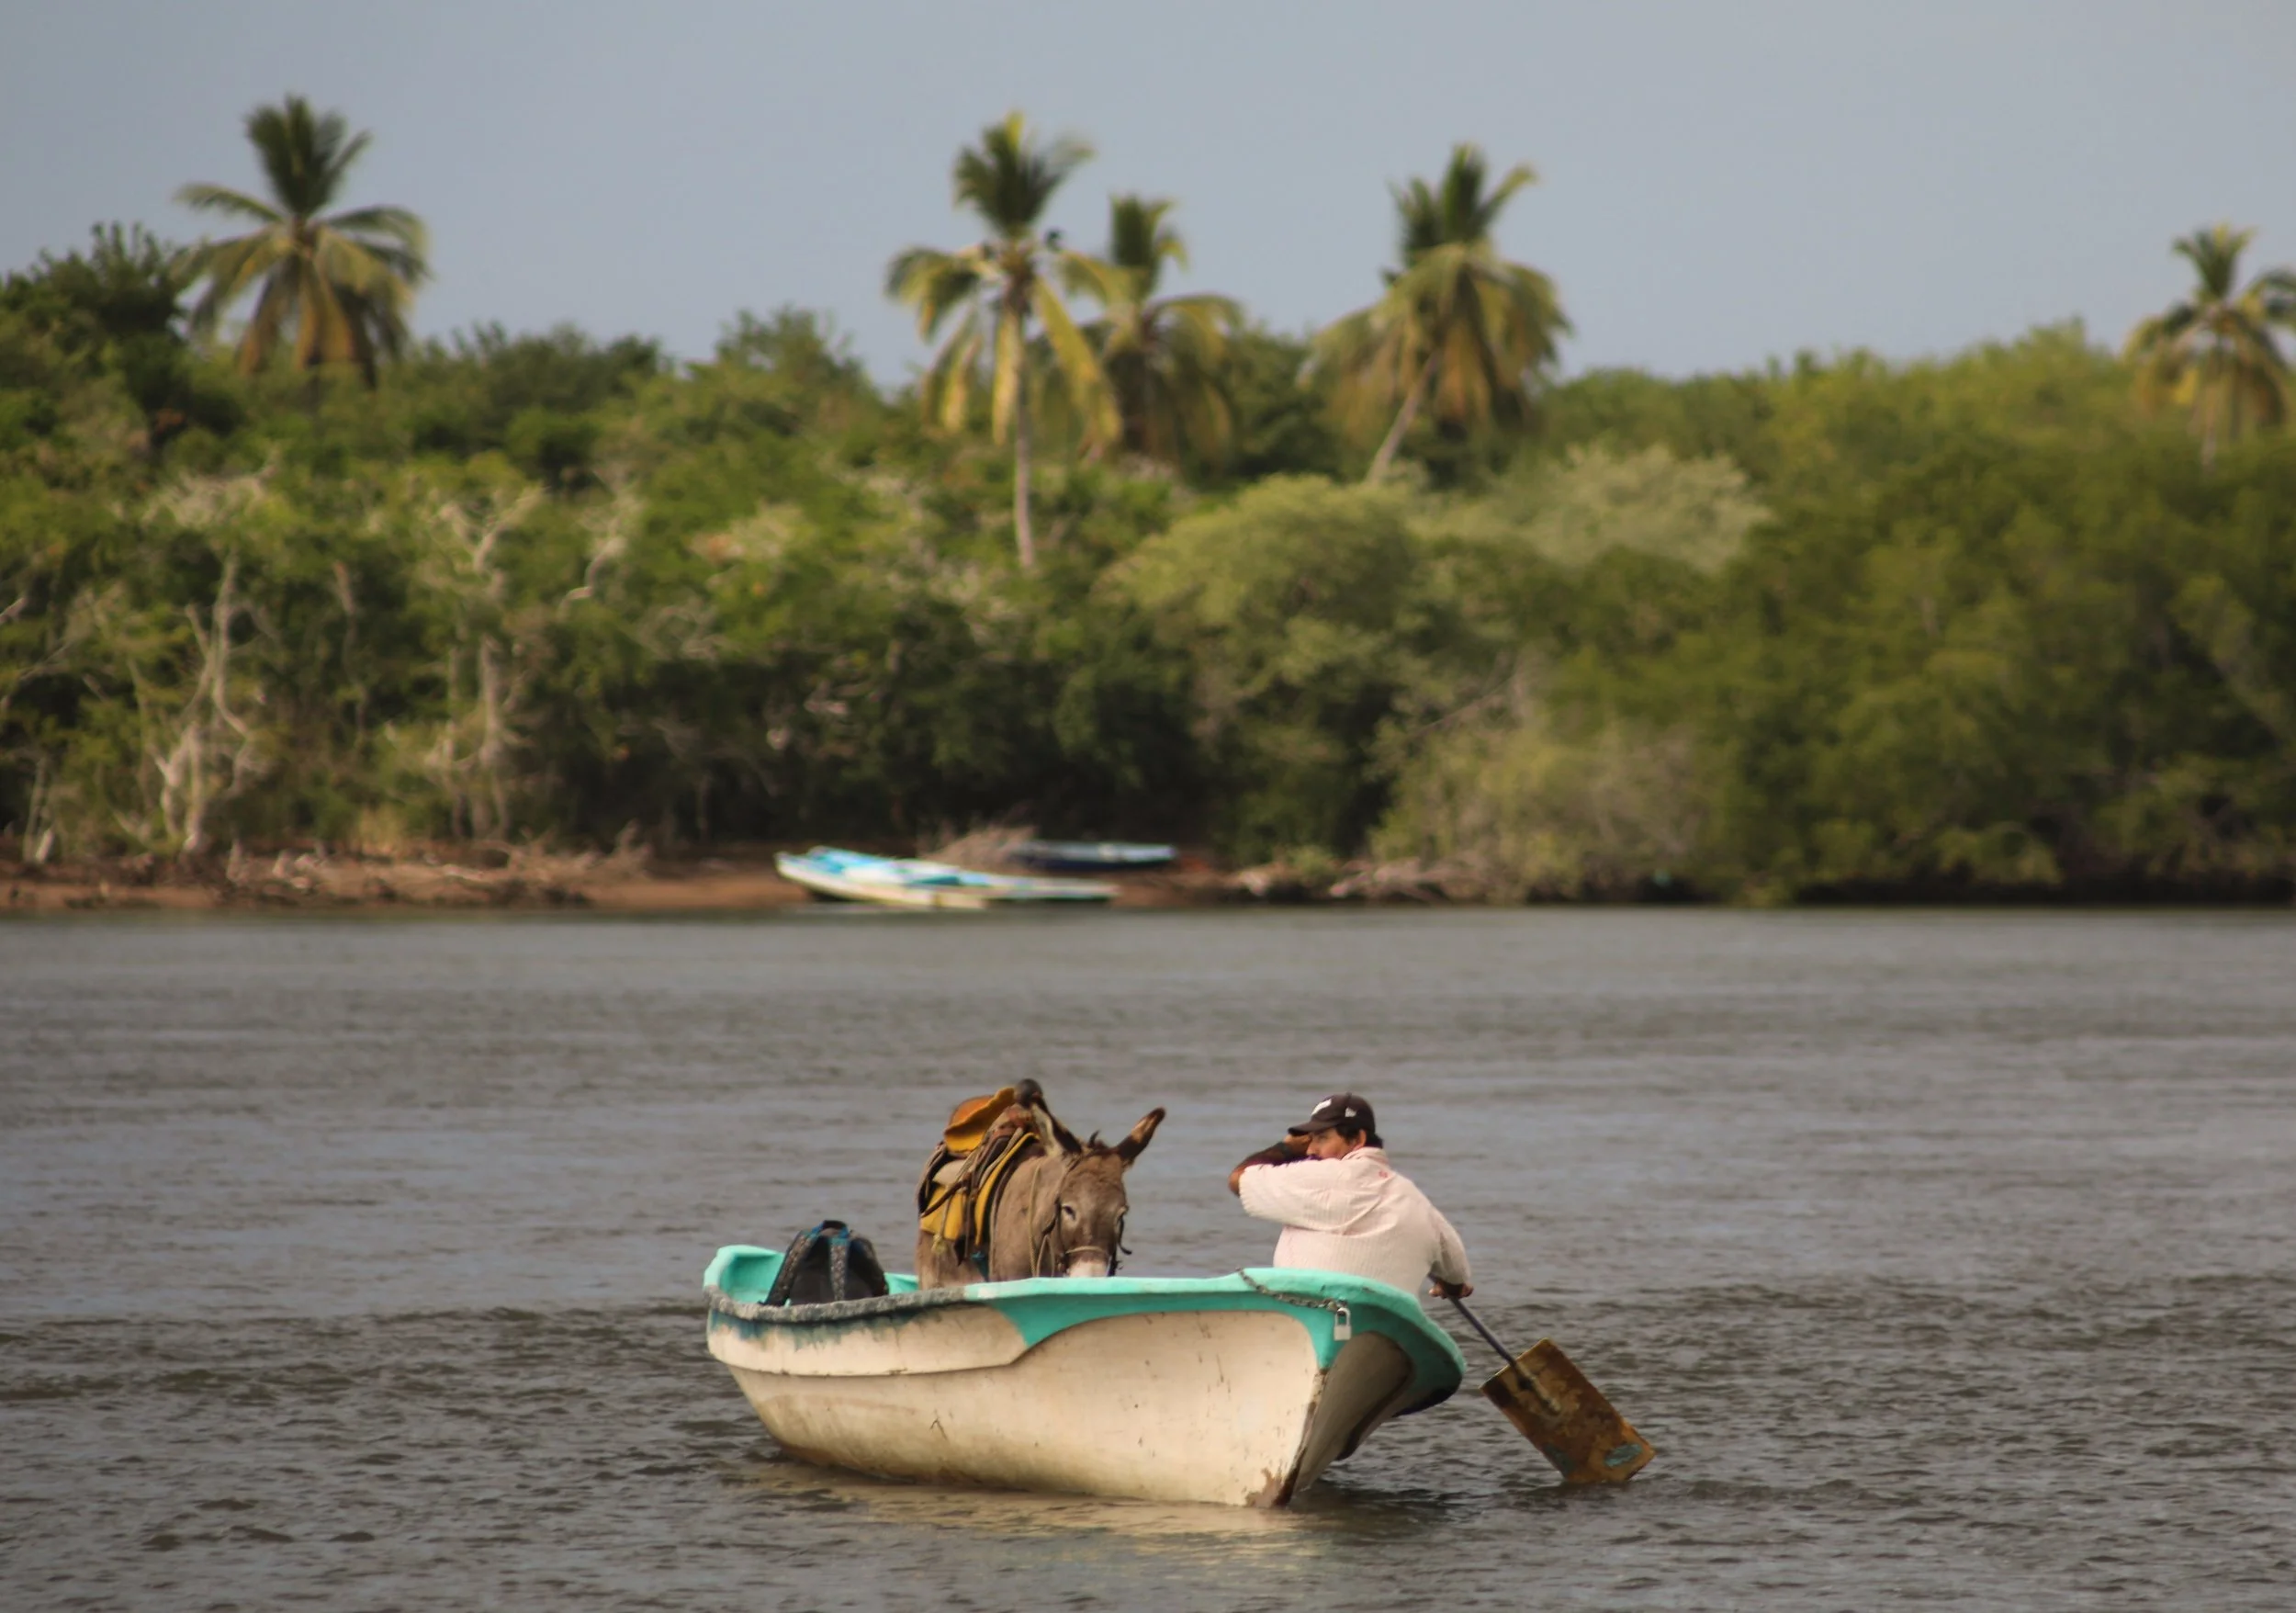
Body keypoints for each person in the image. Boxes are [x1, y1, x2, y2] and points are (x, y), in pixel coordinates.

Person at [1227, 1092, 1472, 1303]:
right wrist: (1450, 1286)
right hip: (1383, 1322)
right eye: (1309, 1141)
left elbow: (1238, 1179)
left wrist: (1288, 1147)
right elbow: (1457, 1274)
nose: (1311, 1150)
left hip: (1306, 1312)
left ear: (1357, 1140)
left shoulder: (1310, 1176)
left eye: (1321, 1138)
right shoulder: (1416, 1201)